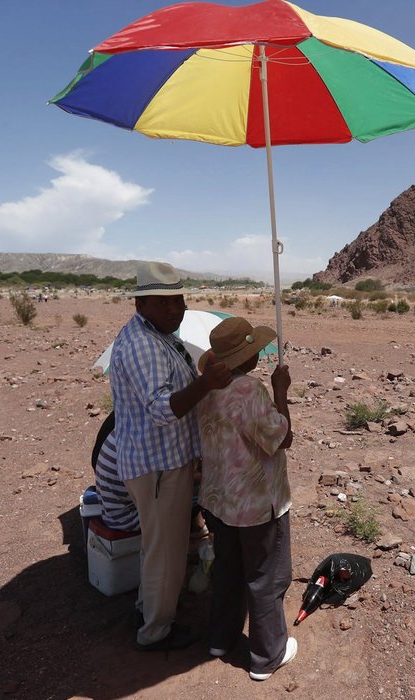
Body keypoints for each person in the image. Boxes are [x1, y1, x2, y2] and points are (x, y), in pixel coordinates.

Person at [109, 261, 232, 652]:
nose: (176, 310)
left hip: (159, 461)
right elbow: (162, 409)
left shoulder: (157, 334)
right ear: (141, 304)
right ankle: (156, 631)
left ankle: (148, 608)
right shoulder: (145, 344)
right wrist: (207, 385)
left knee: (158, 545)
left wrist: (200, 379)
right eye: (165, 304)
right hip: (157, 467)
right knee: (167, 553)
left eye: (179, 300)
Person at [196, 316, 297, 681]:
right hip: (256, 505)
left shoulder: (205, 389)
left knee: (227, 570)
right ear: (247, 359)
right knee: (266, 576)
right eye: (254, 351)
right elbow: (281, 438)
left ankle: (220, 640)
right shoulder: (249, 390)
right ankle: (267, 655)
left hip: (219, 501)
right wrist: (280, 390)